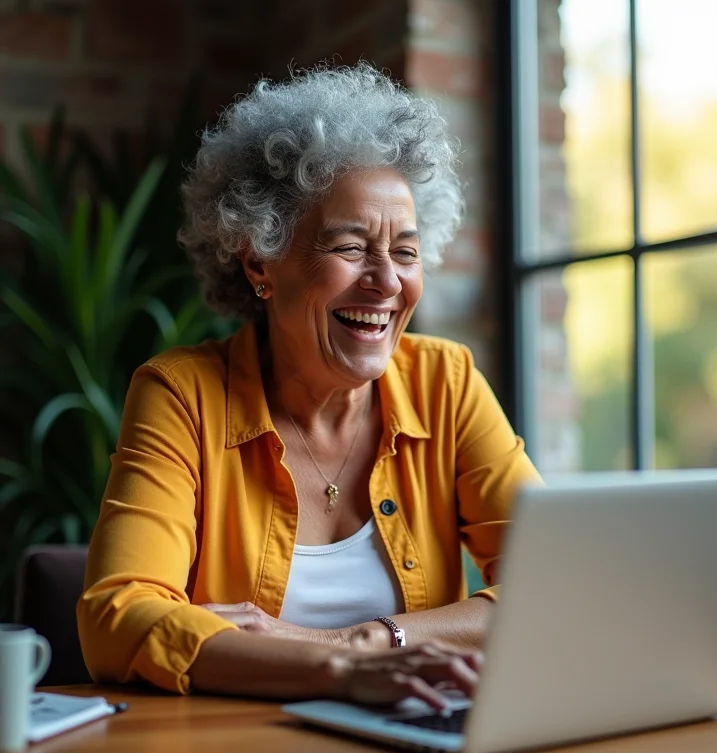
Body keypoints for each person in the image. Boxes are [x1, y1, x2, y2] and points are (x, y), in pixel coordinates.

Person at [77, 63, 541, 710]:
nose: (385, 281)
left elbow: (551, 587)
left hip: (410, 737)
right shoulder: (183, 394)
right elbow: (117, 618)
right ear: (259, 262)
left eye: (405, 252)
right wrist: (338, 671)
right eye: (350, 247)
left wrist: (369, 641)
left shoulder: (447, 382)